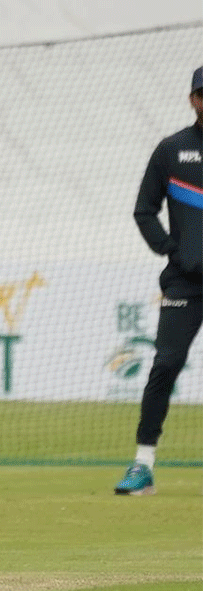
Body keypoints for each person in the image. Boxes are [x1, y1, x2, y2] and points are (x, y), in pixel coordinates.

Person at [115, 66, 203, 495]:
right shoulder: (172, 150)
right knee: (165, 366)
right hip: (185, 283)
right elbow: (144, 210)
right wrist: (172, 250)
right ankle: (143, 466)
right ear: (193, 100)